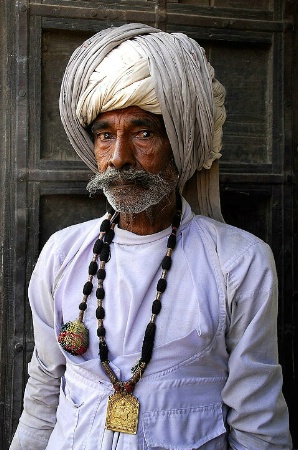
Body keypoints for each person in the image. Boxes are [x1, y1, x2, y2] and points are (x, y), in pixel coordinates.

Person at [10, 23, 292, 449]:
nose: (119, 157)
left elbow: (257, 419)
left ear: (179, 142)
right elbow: (44, 390)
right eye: (105, 135)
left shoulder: (239, 262)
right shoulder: (62, 254)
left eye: (143, 133)